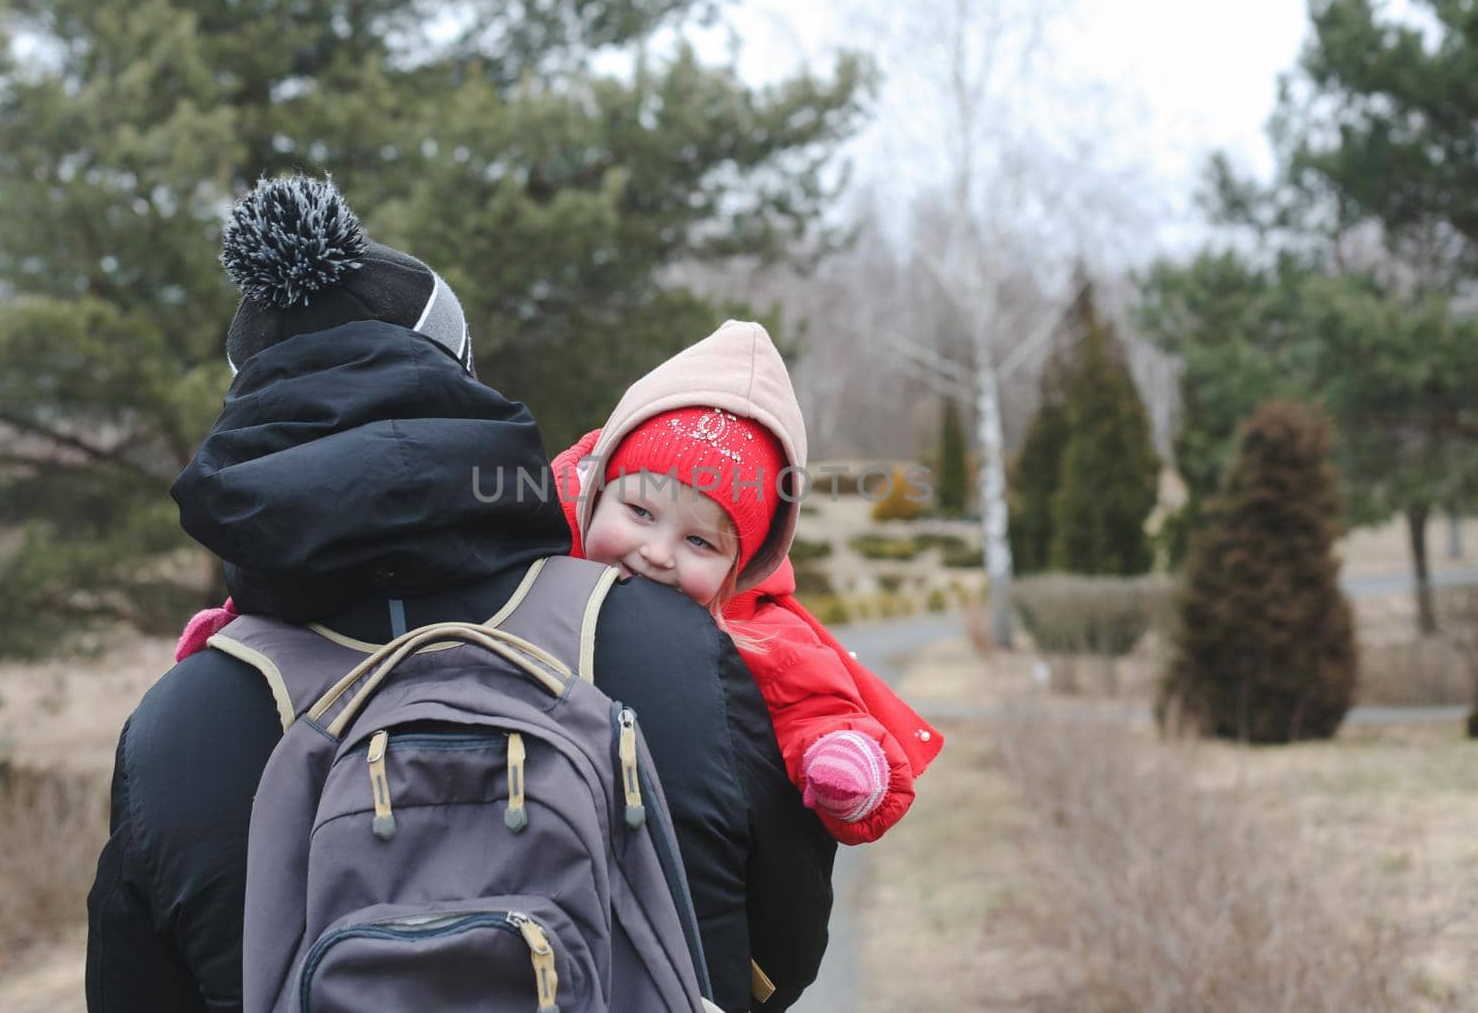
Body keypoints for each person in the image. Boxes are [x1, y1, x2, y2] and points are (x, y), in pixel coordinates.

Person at [85, 176, 834, 1013]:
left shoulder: (178, 725)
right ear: (460, 374)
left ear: (245, 413)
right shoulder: (663, 638)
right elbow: (785, 948)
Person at [552, 321, 944, 845]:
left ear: (742, 568)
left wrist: (839, 757)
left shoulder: (755, 628)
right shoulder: (539, 562)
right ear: (597, 496)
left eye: (700, 543)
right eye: (640, 511)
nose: (656, 553)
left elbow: (814, 703)